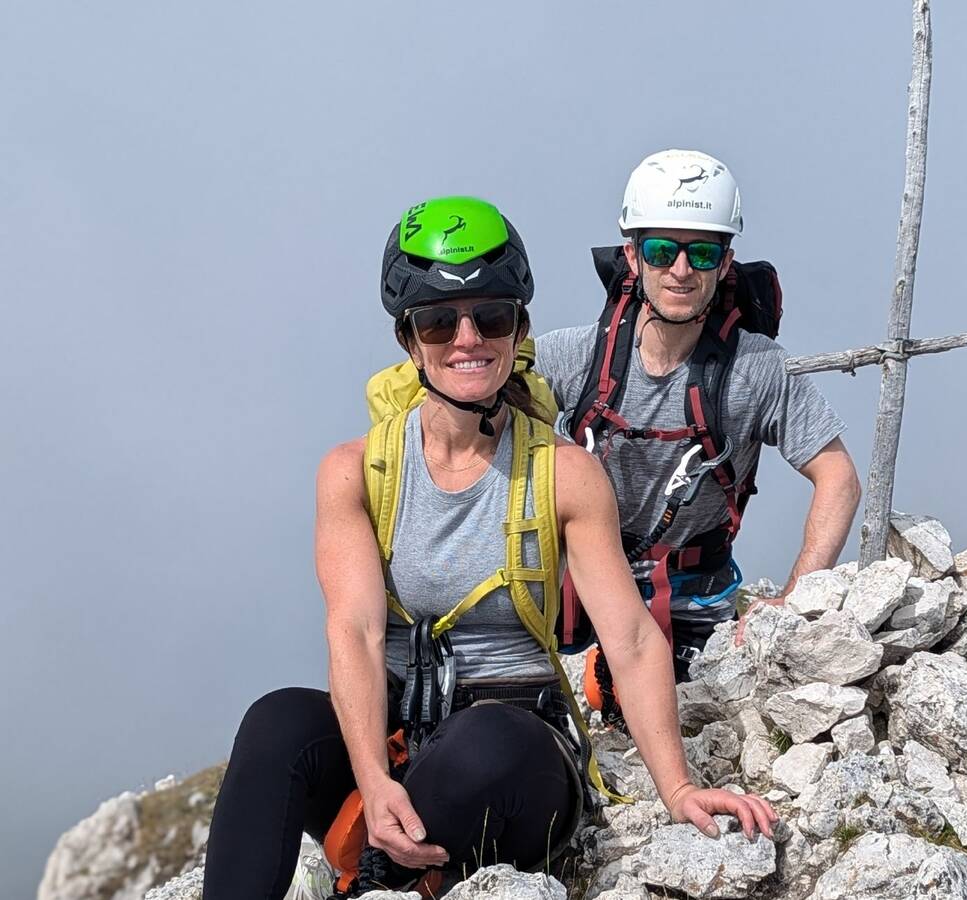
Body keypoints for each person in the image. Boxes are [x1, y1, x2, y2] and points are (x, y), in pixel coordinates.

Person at [202, 196, 775, 899]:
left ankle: (380, 883)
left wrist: (680, 787)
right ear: (410, 342)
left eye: (491, 318)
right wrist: (375, 780)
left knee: (487, 746)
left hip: (518, 756)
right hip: (399, 746)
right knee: (277, 723)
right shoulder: (354, 471)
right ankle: (364, 845)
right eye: (440, 322)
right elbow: (353, 631)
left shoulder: (564, 473)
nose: (467, 338)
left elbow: (628, 637)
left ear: (519, 328)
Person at [535, 149, 862, 698]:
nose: (681, 270)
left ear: (726, 261)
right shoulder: (572, 357)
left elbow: (839, 479)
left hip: (696, 599)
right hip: (580, 590)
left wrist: (795, 601)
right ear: (632, 257)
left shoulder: (758, 367)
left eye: (702, 253)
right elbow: (486, 432)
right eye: (662, 250)